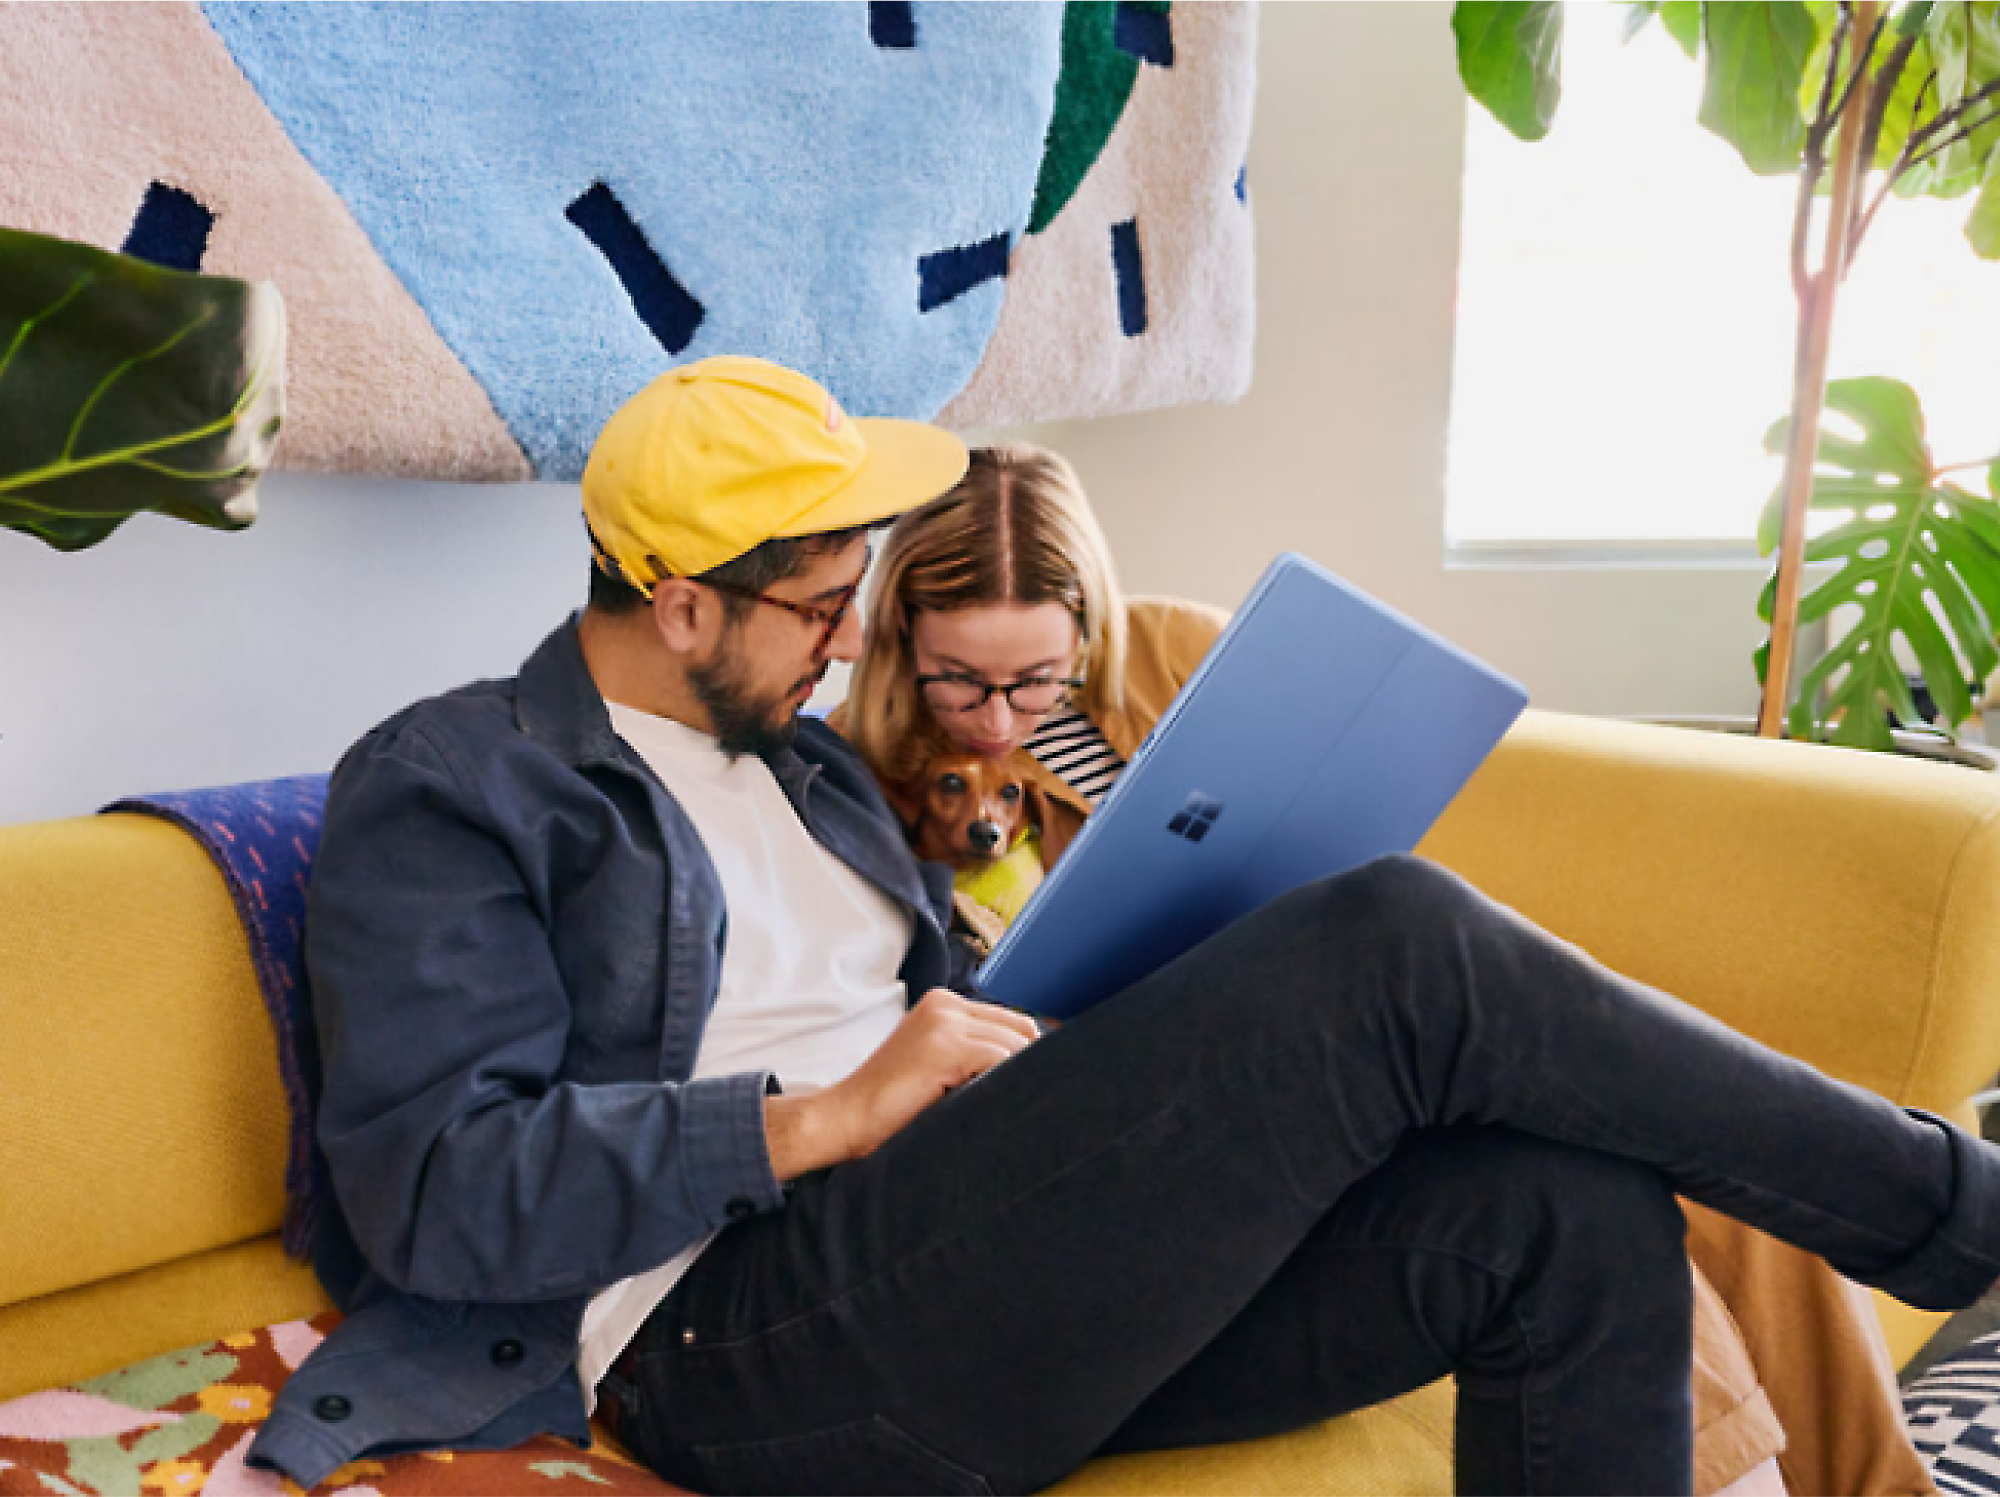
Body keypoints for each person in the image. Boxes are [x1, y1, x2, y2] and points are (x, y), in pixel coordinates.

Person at [248, 358, 1998, 1497]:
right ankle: (1949, 1209)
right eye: (816, 606)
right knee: (1390, 934)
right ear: (677, 598)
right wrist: (822, 1118)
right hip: (732, 1340)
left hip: (951, 1260)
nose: (850, 645)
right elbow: (437, 1183)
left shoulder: (813, 780)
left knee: (1552, 1210)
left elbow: (946, 1045)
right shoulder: (458, 782)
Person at [839, 444, 1946, 1497]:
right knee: (1579, 1153)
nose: (995, 718)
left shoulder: (1172, 656)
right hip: (1161, 1128)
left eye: (1032, 679)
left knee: (1686, 1127)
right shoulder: (855, 779)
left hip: (1306, 1027)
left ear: (1085, 626)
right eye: (958, 681)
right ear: (898, 641)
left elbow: (1321, 841)